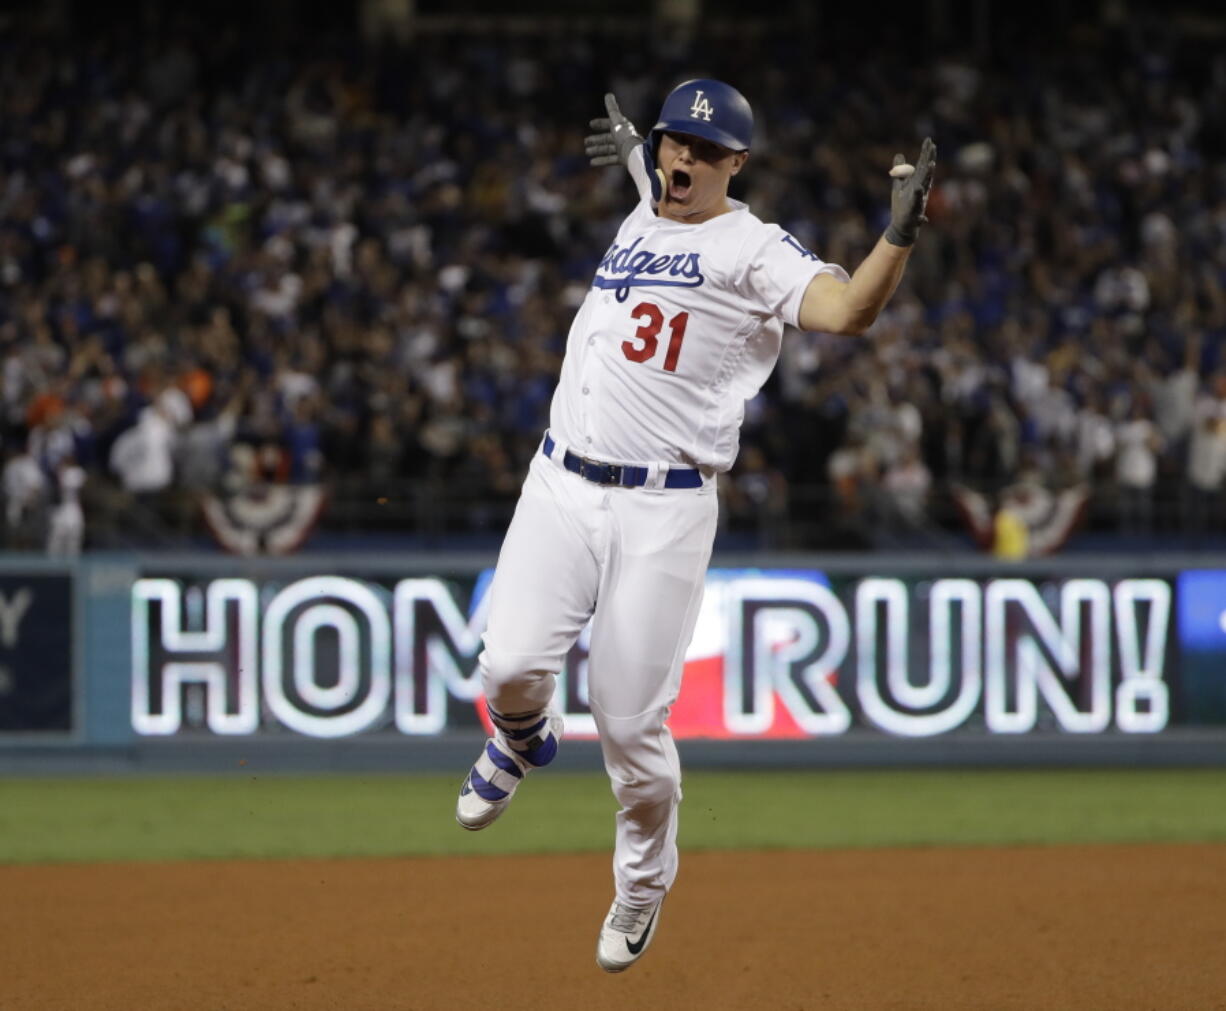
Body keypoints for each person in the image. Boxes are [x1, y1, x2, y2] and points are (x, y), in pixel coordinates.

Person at [455, 78, 936, 973]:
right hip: (561, 480)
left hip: (664, 505)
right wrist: (642, 142)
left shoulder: (752, 248)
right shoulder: (651, 195)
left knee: (631, 725)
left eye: (707, 152)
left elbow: (847, 311)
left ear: (738, 165)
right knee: (510, 666)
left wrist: (897, 234)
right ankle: (522, 739)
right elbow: (648, 170)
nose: (685, 161)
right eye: (678, 143)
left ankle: (642, 880)